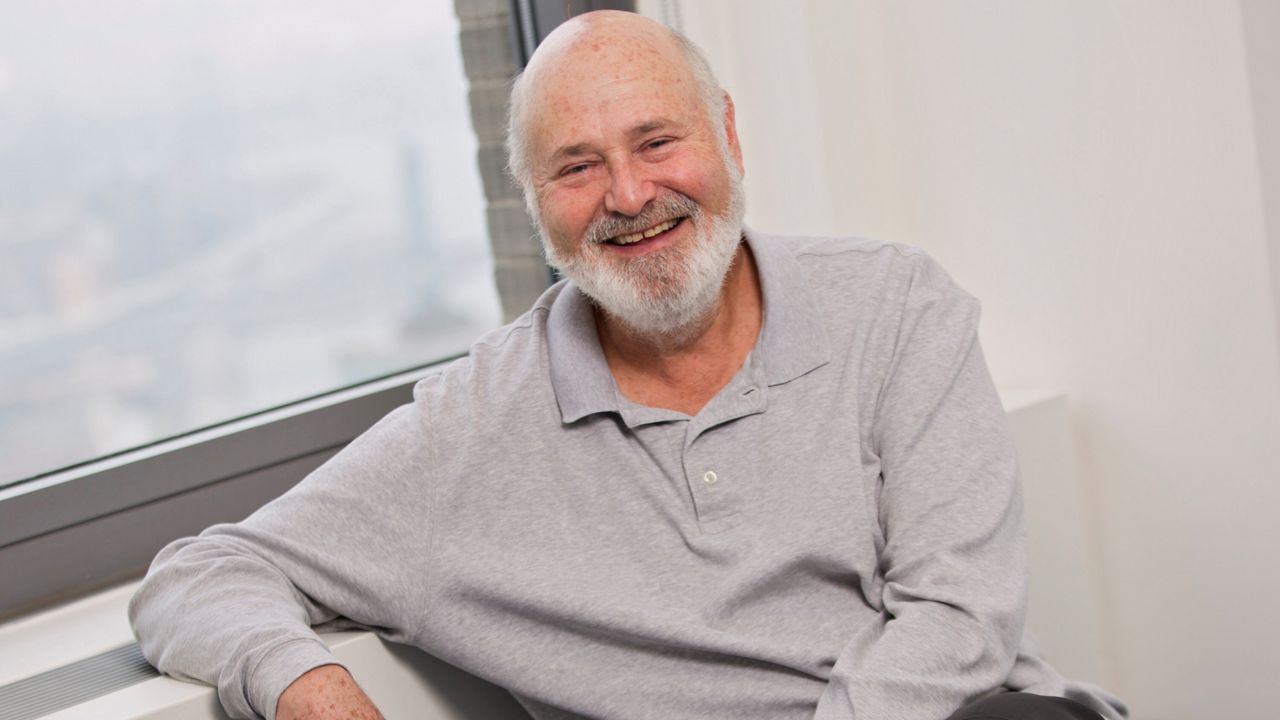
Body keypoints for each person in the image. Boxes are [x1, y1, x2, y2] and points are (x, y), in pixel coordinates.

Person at [130, 11, 1128, 720]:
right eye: (575, 166)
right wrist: (308, 689)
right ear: (532, 202)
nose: (628, 193)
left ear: (727, 135)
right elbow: (197, 577)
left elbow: (957, 617)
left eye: (656, 141)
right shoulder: (471, 427)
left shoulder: (894, 307)